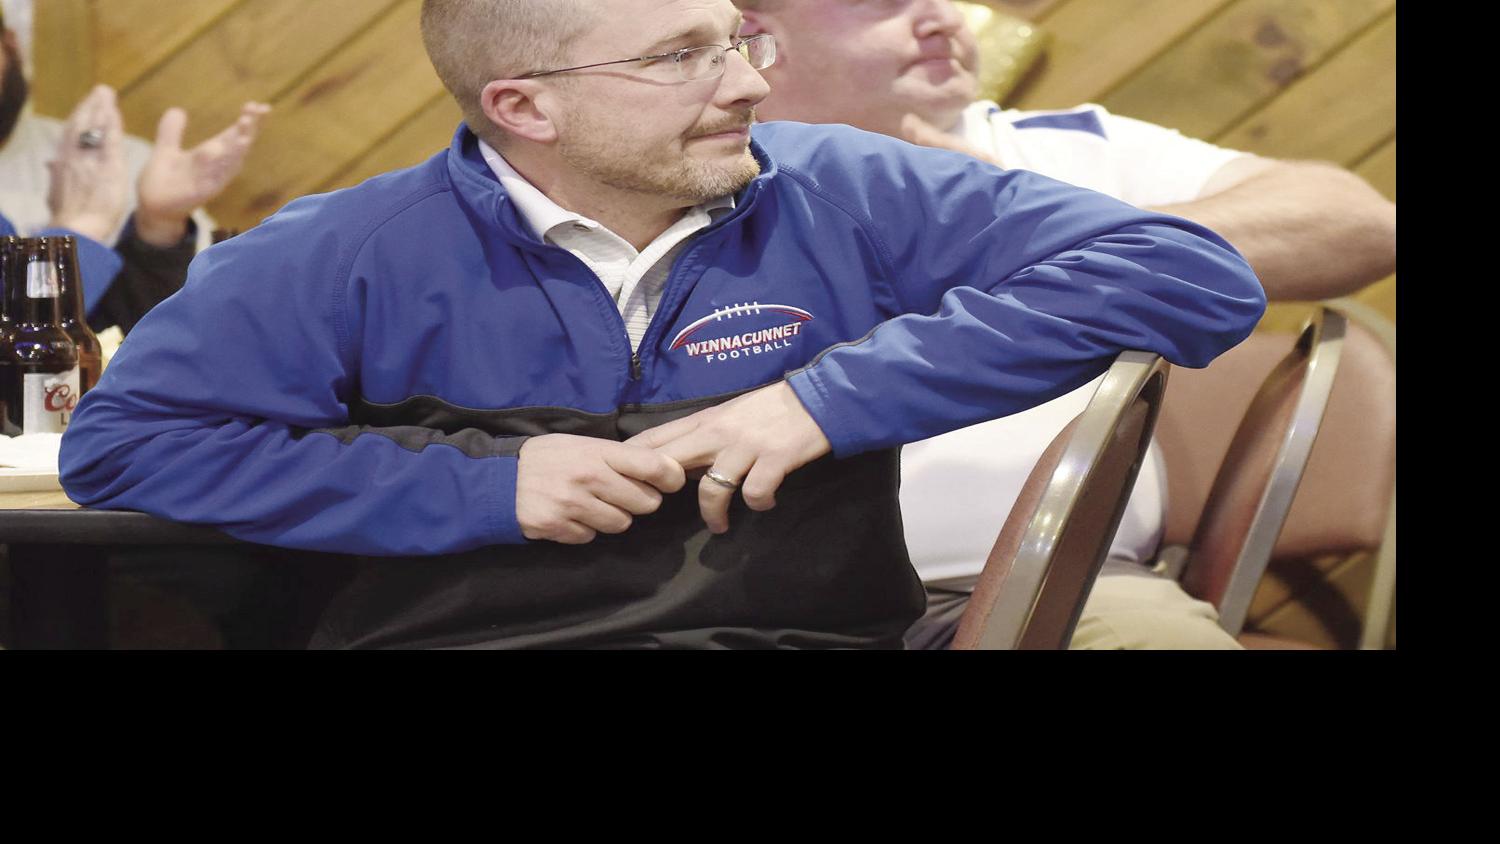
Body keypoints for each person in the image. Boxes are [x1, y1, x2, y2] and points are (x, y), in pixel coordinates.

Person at [58, 0, 1264, 651]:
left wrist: (824, 400)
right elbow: (128, 444)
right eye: (684, 56)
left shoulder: (838, 182)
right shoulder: (341, 250)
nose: (745, 81)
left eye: (735, 39)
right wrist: (488, 485)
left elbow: (1186, 271)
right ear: (523, 104)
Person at [734, 0, 1397, 649]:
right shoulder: (696, 180)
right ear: (757, 34)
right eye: (883, 4)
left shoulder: (1043, 147)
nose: (943, 16)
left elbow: (1360, 225)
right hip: (754, 611)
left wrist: (1075, 237)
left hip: (1070, 588)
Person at [0, 5, 270, 333]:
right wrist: (77, 231)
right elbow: (20, 352)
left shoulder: (108, 156)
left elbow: (98, 341)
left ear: (11, 44)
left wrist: (157, 232)